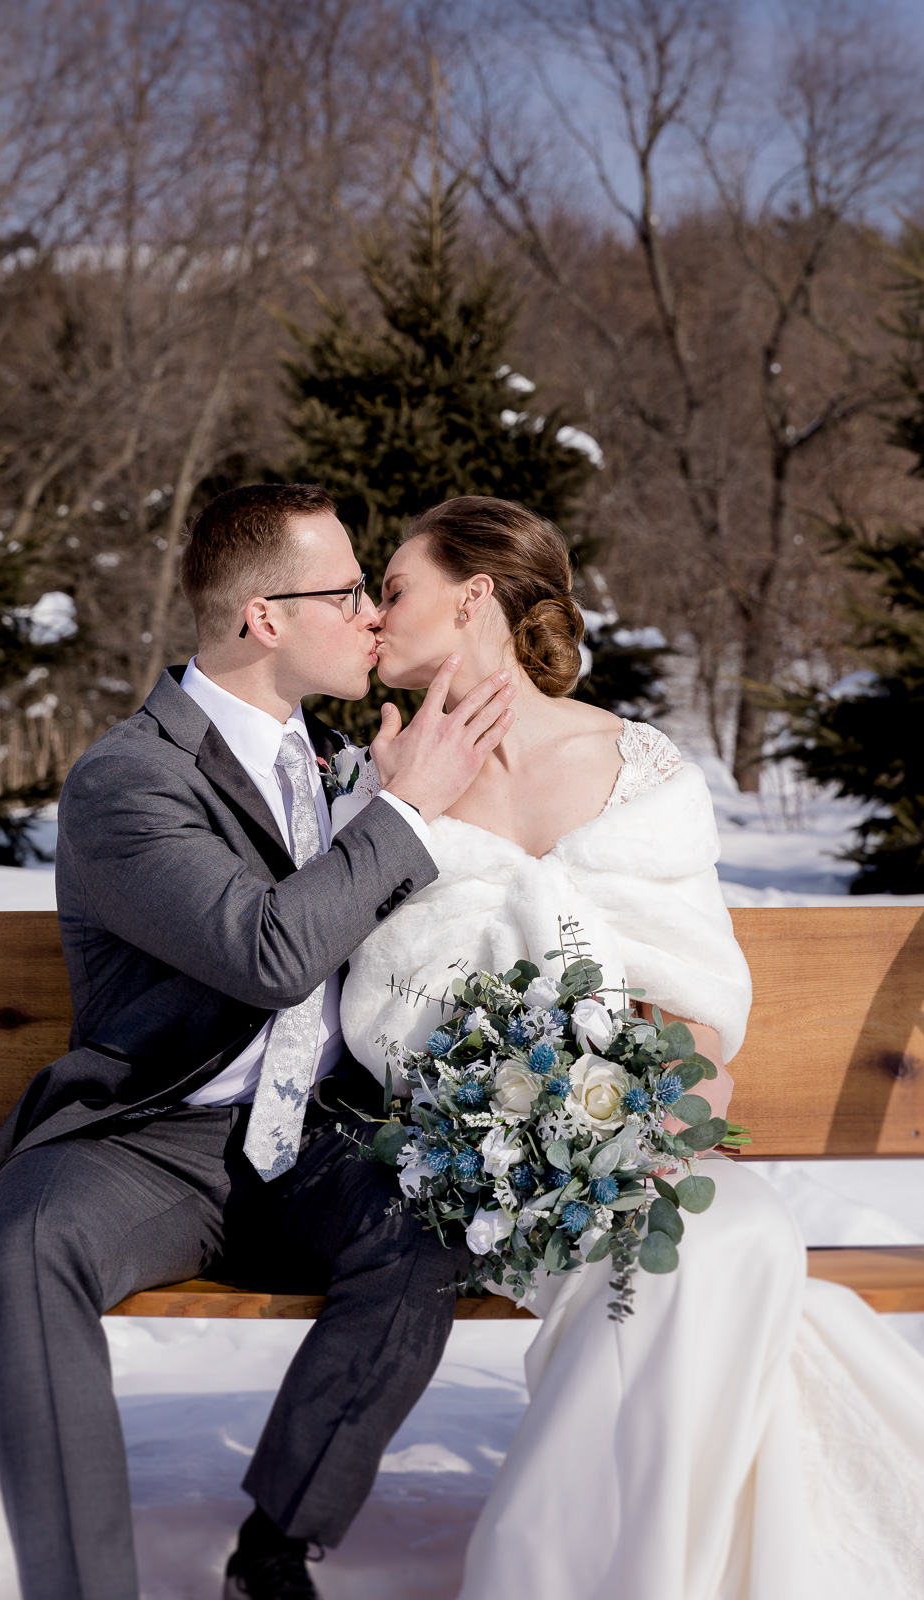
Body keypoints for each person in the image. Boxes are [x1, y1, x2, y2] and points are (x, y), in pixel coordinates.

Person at [338, 494, 924, 1600]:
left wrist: (644, 1113)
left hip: (634, 1138)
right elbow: (381, 1010)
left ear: (474, 598)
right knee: (712, 1261)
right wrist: (509, 1132)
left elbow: (695, 988)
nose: (370, 614)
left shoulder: (637, 767)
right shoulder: (378, 779)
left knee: (727, 1239)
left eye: (394, 587)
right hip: (465, 1162)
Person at [0, 482, 518, 1600]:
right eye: (347, 590)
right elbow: (263, 949)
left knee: (432, 1218)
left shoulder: (339, 760)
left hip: (312, 1145)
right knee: (26, 1241)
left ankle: (273, 1552)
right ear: (264, 617)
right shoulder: (128, 778)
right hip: (148, 1142)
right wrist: (405, 815)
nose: (371, 612)